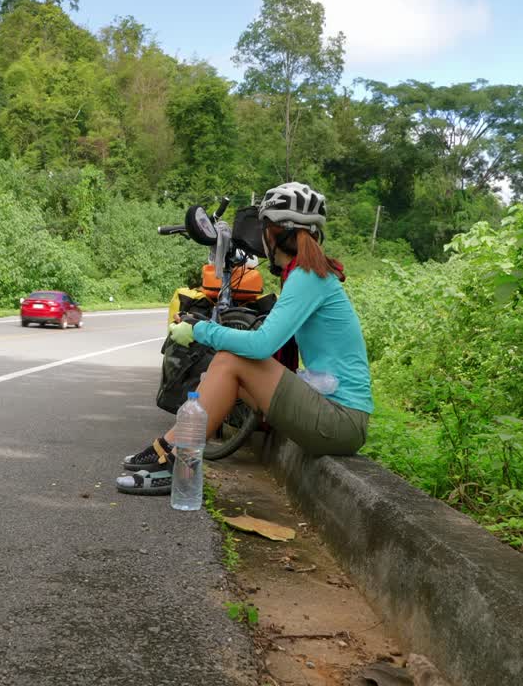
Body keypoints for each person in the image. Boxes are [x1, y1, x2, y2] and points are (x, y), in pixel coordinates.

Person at [116, 182, 374, 495]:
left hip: (341, 421)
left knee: (230, 360)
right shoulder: (309, 274)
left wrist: (201, 330)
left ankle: (174, 461)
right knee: (232, 372)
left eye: (264, 228)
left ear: (275, 233)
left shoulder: (308, 276)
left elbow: (262, 344)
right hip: (330, 410)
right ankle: (174, 449)